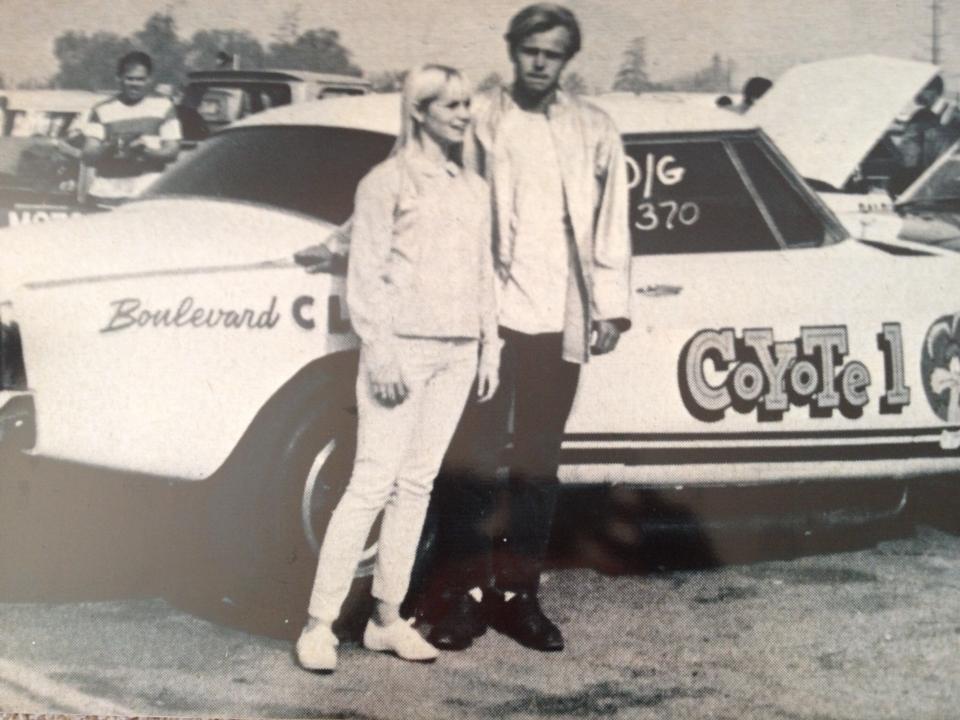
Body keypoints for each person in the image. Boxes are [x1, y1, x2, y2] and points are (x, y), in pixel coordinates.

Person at [295, 3, 632, 655]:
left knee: (537, 464)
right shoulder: (478, 116)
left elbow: (612, 218)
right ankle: (457, 597)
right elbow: (410, 182)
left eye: (553, 53)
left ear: (568, 59)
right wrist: (336, 243)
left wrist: (610, 308)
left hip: (558, 319)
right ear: (512, 51)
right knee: (467, 463)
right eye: (530, 50)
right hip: (485, 320)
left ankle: (520, 597)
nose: (540, 62)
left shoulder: (594, 128)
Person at [295, 64, 500, 673]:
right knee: (371, 483)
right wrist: (380, 350)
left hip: (458, 351)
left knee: (417, 485)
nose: (464, 115)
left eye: (467, 104)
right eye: (451, 105)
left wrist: (489, 345)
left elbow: (483, 272)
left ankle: (387, 619)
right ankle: (319, 625)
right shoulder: (385, 182)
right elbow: (364, 274)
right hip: (401, 350)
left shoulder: (473, 187)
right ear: (419, 111)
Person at [79, 51, 181, 207]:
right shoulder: (101, 109)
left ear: (150, 79)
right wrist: (111, 146)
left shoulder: (164, 106)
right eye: (129, 78)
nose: (135, 84)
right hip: (107, 193)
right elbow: (88, 155)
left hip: (146, 193)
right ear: (119, 79)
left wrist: (145, 151)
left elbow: (172, 151)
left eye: (140, 79)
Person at [888, 76, 959, 197]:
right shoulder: (947, 114)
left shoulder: (925, 116)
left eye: (921, 89)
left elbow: (910, 154)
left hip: (923, 178)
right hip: (941, 178)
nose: (916, 94)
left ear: (933, 92)